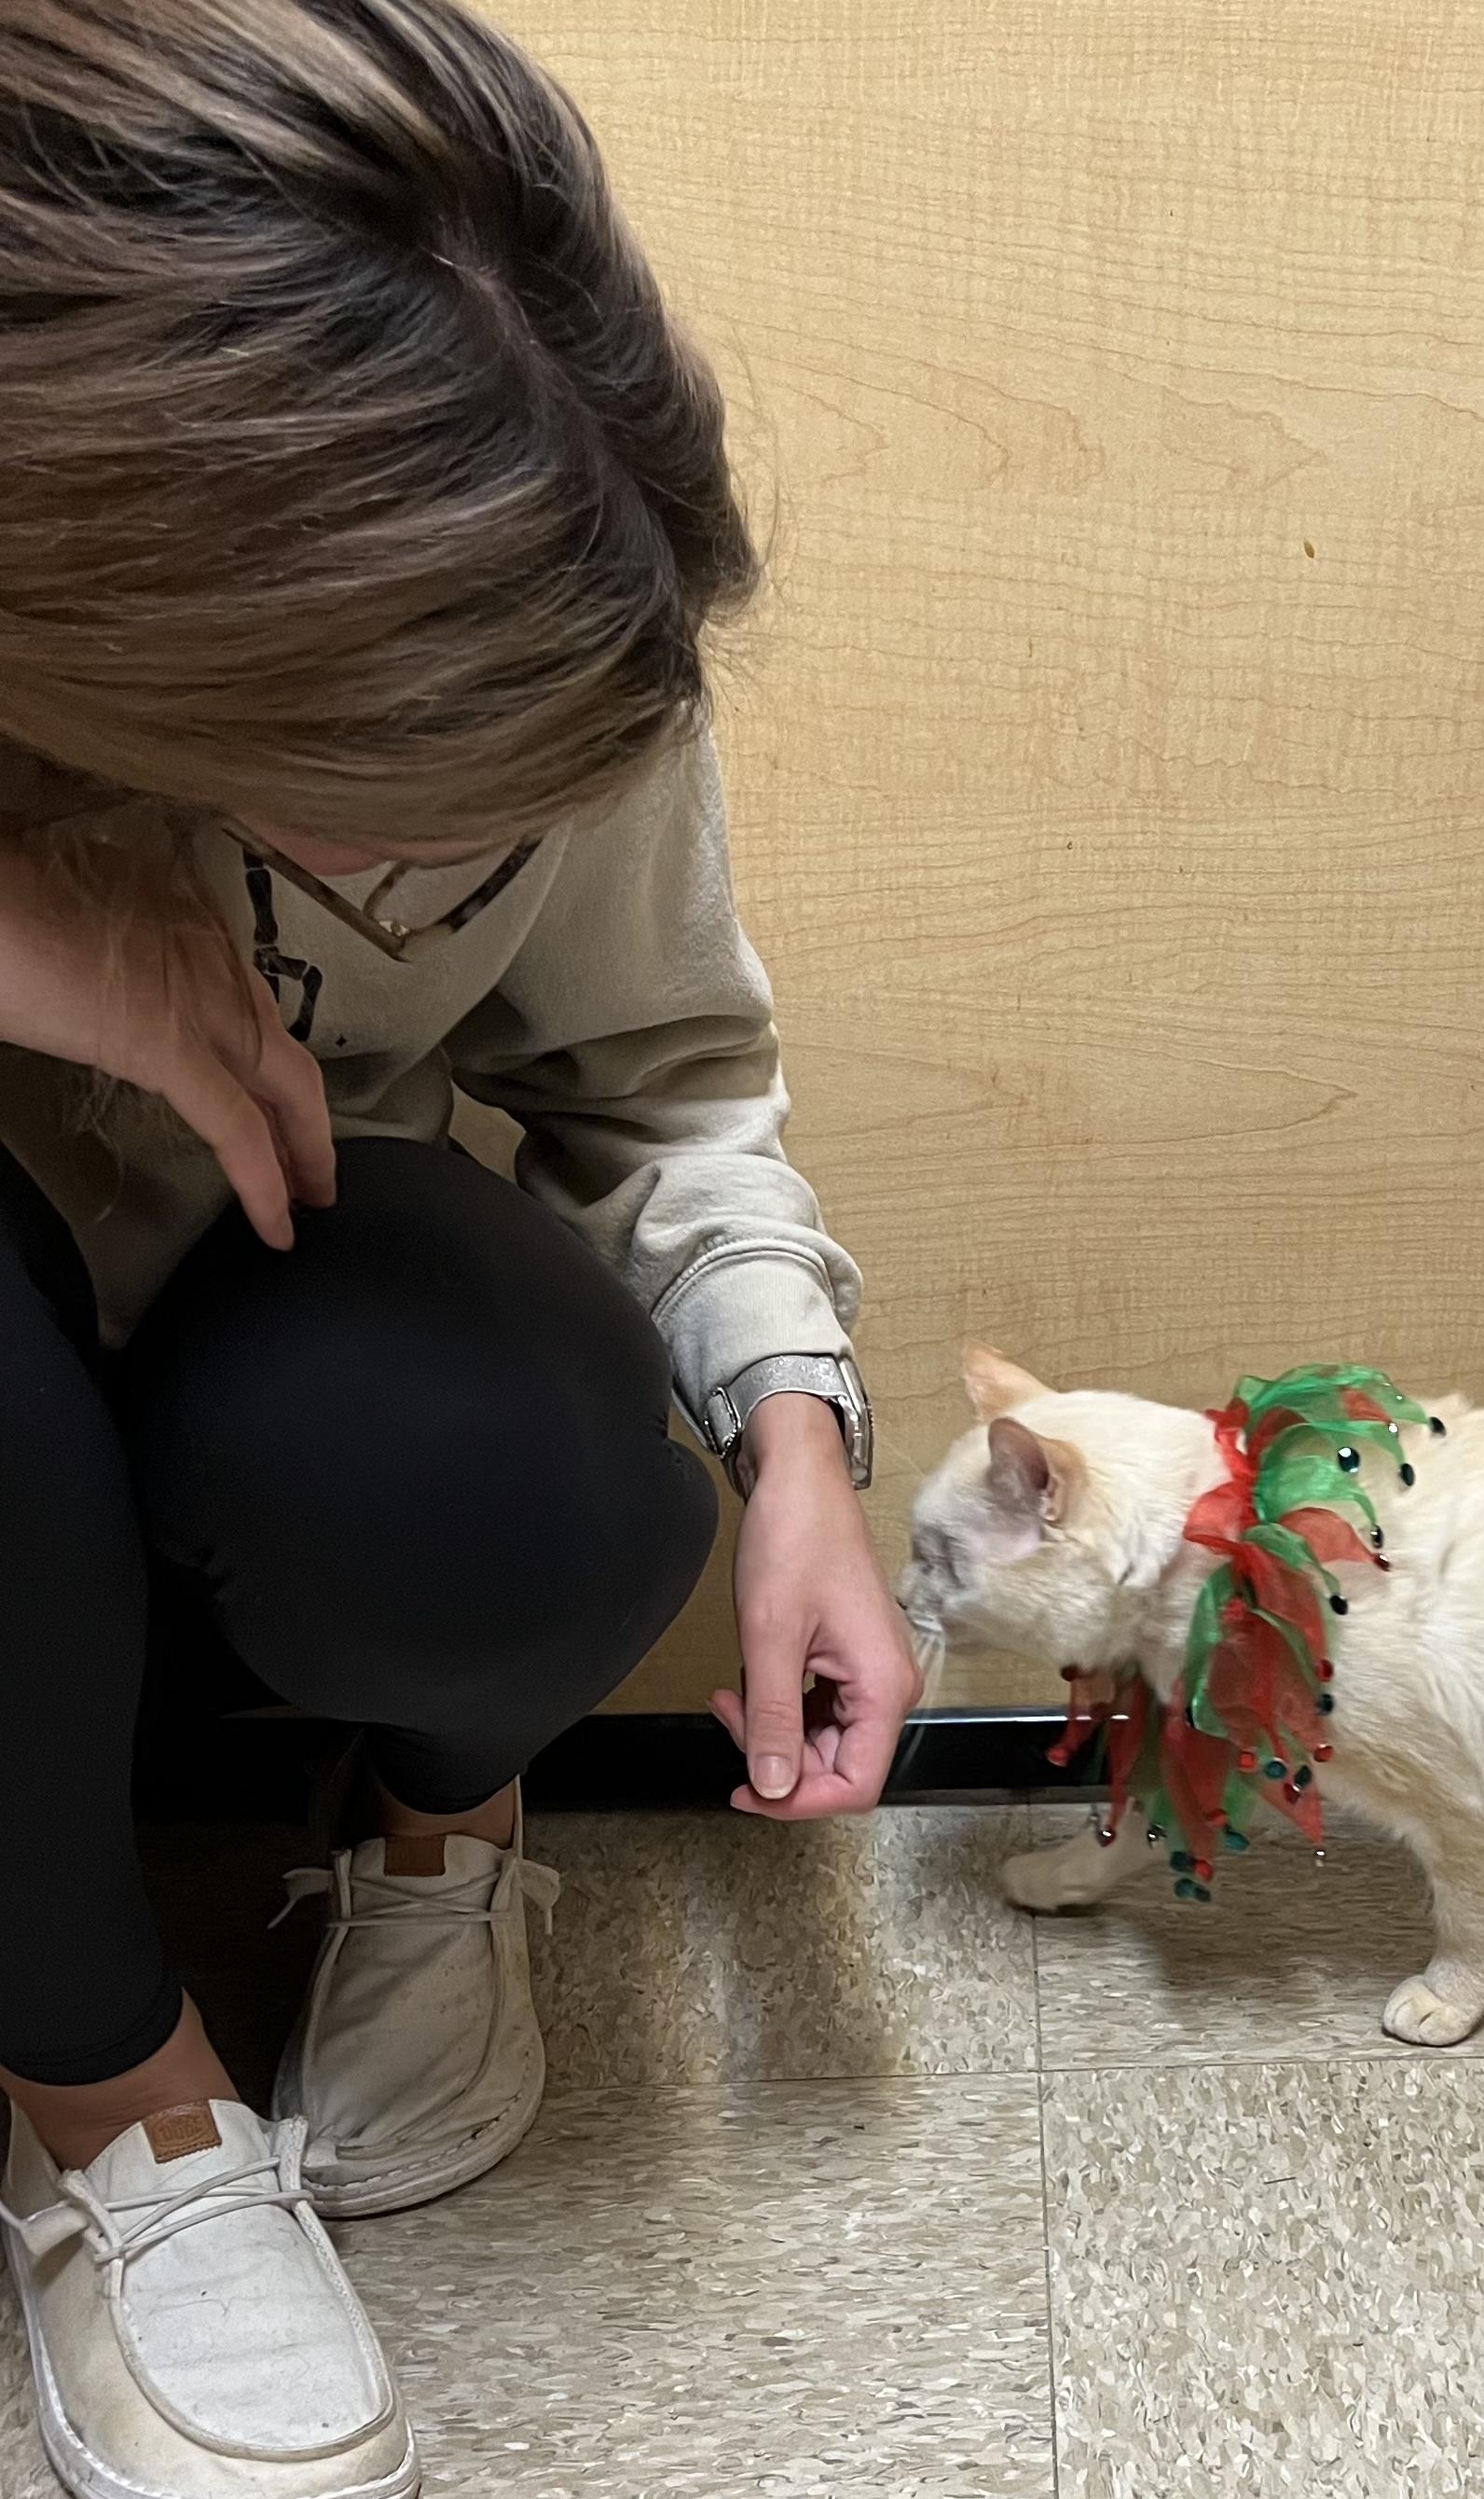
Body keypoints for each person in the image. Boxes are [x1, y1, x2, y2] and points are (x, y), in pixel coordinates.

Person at [0, 6, 919, 2493]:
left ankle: (439, 1840)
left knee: (531, 1472)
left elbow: (665, 1085)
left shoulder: (524, 594)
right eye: (345, 802)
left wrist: (801, 1441)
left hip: (277, 1303)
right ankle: (112, 2108)